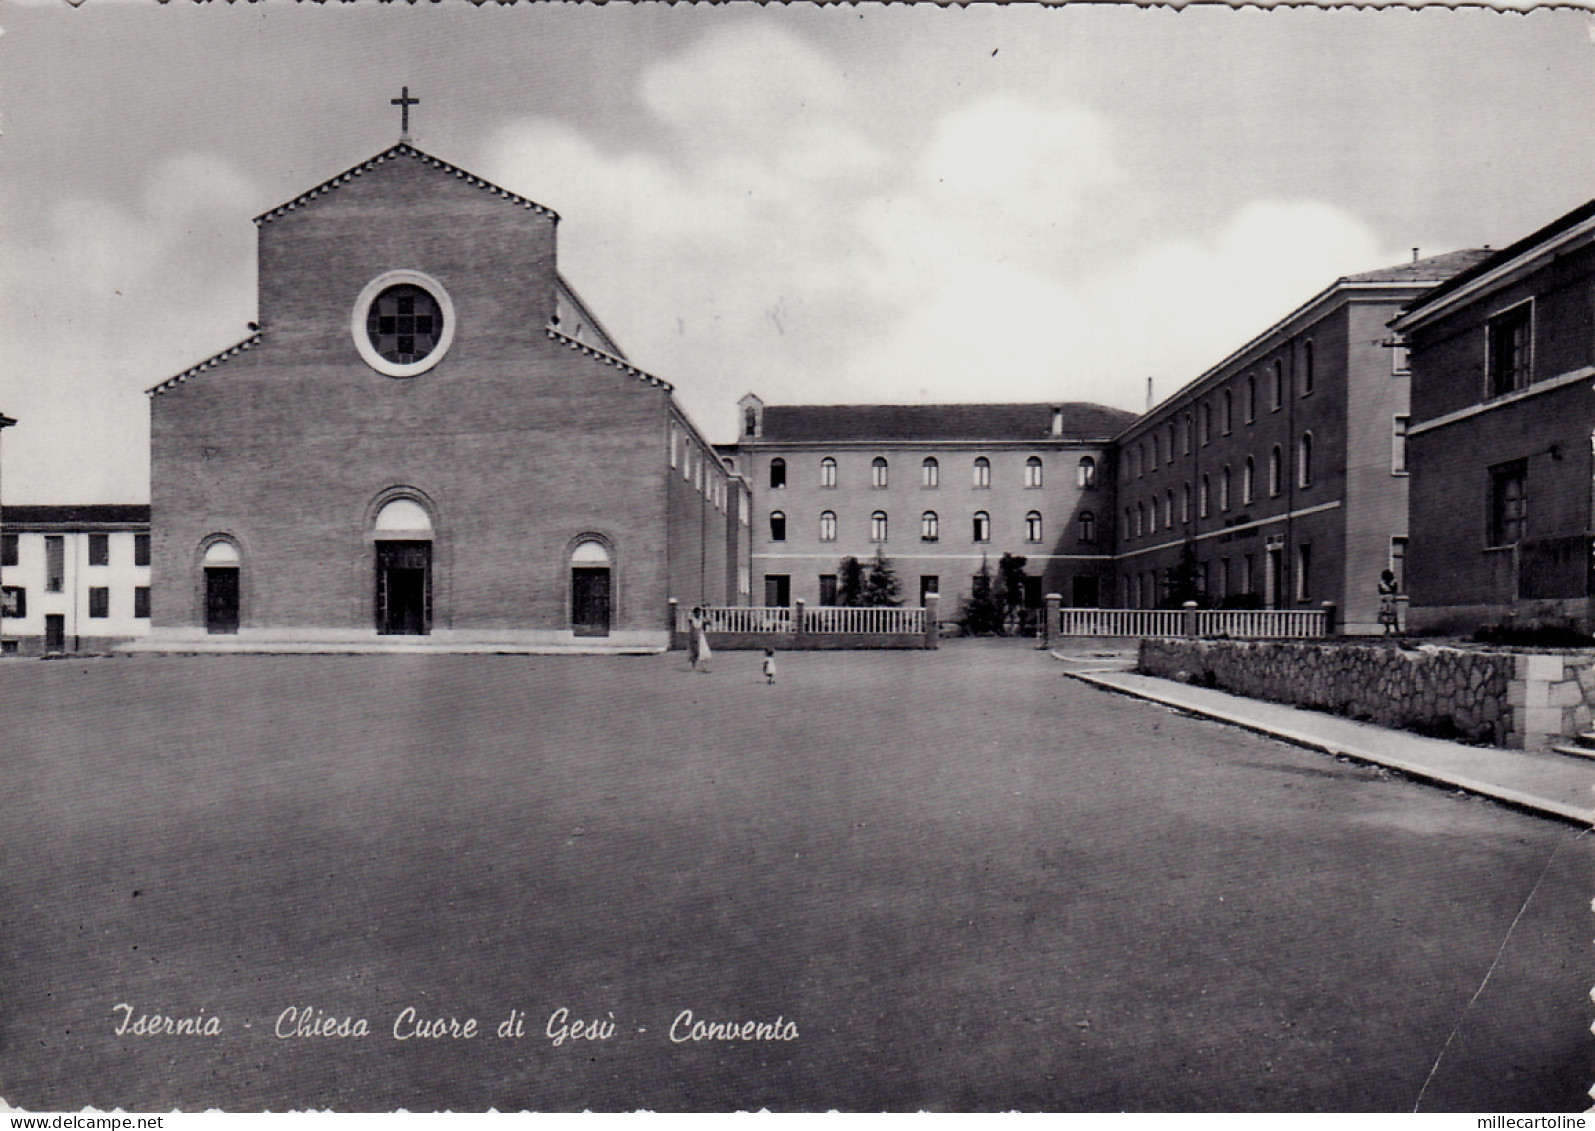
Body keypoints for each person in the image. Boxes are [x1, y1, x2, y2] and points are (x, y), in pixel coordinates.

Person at [689, 606, 712, 673]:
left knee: (703, 652)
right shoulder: (692, 620)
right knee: (694, 652)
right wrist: (693, 638)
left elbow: (709, 623)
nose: (699, 614)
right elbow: (692, 629)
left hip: (701, 637)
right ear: (694, 613)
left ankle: (704, 667)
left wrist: (708, 614)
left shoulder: (701, 619)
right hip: (694, 637)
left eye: (699, 612)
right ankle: (693, 668)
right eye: (697, 612)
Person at [1377, 569, 1400, 636]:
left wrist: (1390, 585)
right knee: (1385, 615)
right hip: (1385, 599)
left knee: (1393, 614)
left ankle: (1396, 629)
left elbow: (1394, 590)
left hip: (1391, 598)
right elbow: (1380, 591)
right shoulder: (1381, 583)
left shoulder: (1393, 582)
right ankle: (1387, 629)